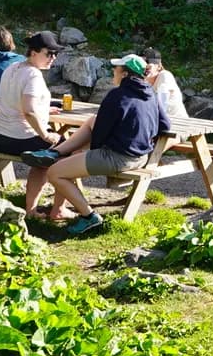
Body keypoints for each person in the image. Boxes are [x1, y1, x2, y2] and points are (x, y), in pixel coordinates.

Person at [37, 53, 165, 236]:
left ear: (125, 74)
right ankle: (55, 155)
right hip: (140, 155)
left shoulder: (117, 95)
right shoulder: (151, 93)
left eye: (117, 68)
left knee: (54, 173)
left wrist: (88, 151)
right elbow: (165, 125)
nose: (114, 71)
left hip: (118, 157)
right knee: (89, 125)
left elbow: (101, 133)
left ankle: (89, 217)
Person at [0, 32, 64, 221]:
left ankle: (38, 207)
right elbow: (29, 111)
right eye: (49, 53)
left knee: (49, 152)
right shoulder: (33, 75)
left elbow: (16, 102)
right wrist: (46, 134)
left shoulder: (12, 68)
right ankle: (48, 209)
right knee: (63, 151)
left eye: (55, 54)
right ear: (33, 52)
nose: (53, 58)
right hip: (21, 138)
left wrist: (45, 110)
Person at [141, 48, 185, 120]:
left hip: (180, 122)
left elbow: (162, 102)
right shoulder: (144, 82)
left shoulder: (165, 75)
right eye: (142, 65)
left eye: (148, 67)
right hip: (164, 122)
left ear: (158, 66)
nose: (144, 69)